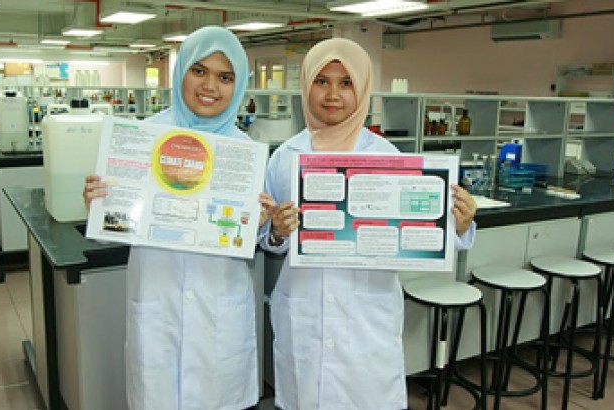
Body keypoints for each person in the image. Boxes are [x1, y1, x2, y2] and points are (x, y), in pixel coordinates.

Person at [260, 38, 478, 410]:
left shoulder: (386, 156)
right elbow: (268, 239)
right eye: (321, 81)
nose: (332, 94)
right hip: (303, 311)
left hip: (366, 317)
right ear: (306, 86)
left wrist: (456, 224)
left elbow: (418, 235)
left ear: (361, 90)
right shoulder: (284, 157)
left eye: (346, 83)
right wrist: (278, 230)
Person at [83, 26, 274, 410]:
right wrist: (102, 207)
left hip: (220, 317)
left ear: (237, 86)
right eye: (199, 71)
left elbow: (258, 239)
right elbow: (114, 233)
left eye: (225, 77)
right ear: (181, 71)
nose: (210, 86)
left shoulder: (246, 154)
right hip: (158, 309)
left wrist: (261, 223)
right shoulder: (143, 137)